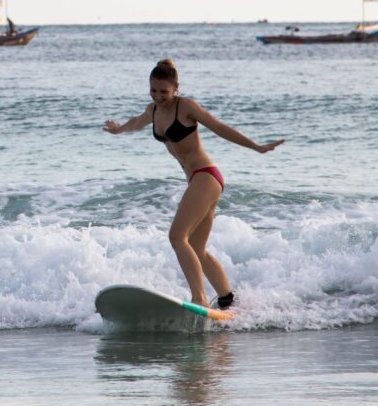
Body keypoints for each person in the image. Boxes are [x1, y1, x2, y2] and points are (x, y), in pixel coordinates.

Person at [103, 58, 284, 309]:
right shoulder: (153, 111)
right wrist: (118, 129)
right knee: (196, 248)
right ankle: (227, 299)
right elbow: (136, 122)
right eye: (153, 90)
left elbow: (219, 127)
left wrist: (256, 147)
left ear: (175, 88)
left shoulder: (186, 106)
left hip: (206, 176)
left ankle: (198, 298)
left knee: (177, 237)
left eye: (164, 91)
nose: (158, 96)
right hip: (196, 180)